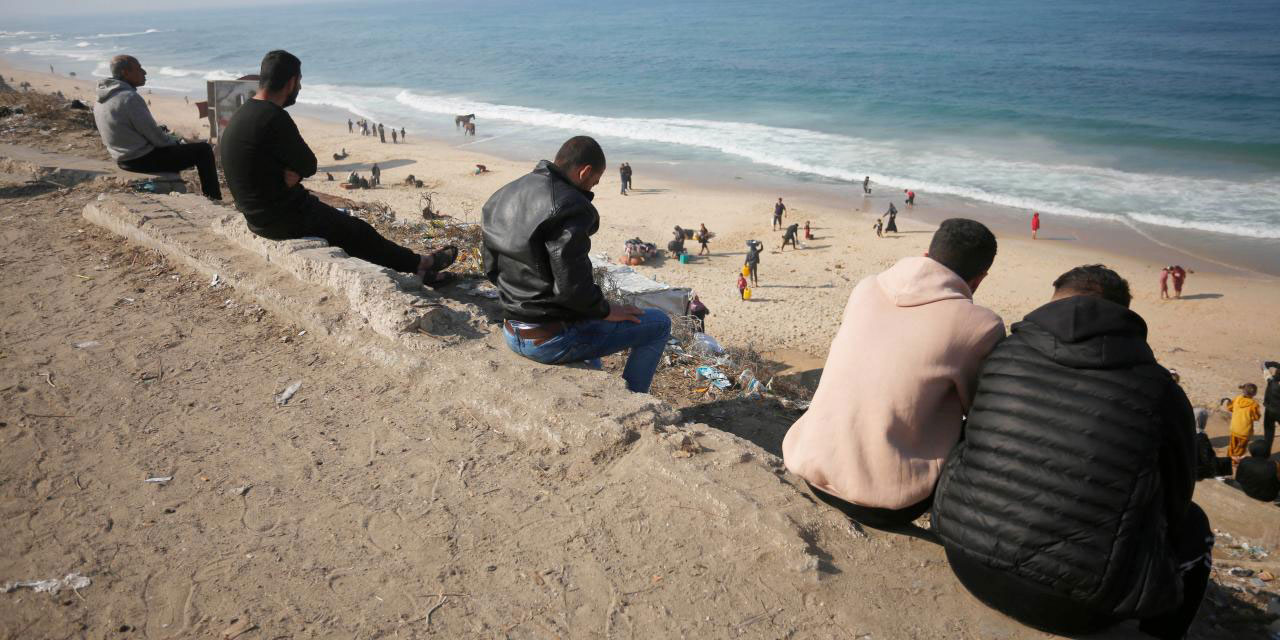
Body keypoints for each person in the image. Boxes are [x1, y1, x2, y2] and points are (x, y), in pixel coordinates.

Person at [932, 265, 1211, 640]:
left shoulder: (1001, 355)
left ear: (1054, 300)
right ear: (1123, 315)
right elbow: (1178, 494)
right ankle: (1162, 634)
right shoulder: (1160, 389)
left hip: (967, 559)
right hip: (1080, 609)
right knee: (1195, 524)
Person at [783, 219, 1004, 530]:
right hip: (888, 503)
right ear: (980, 279)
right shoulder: (981, 325)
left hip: (811, 469)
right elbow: (980, 409)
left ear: (927, 254)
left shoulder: (867, 287)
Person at [219, 50, 456, 285]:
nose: (300, 88)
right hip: (281, 218)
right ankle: (421, 265)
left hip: (258, 216)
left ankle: (417, 266)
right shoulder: (273, 117)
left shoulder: (244, 113)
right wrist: (289, 172)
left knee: (349, 228)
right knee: (357, 232)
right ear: (291, 82)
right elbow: (309, 165)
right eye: (299, 82)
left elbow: (271, 164)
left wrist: (284, 172)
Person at [482, 135, 672, 394]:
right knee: (658, 324)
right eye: (594, 181)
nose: (593, 187)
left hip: (512, 328)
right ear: (584, 171)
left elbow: (490, 267)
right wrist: (604, 309)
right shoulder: (570, 205)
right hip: (547, 339)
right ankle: (633, 398)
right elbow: (572, 286)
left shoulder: (504, 193)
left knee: (590, 341)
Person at [93, 55, 222, 201]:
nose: (144, 72)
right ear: (125, 72)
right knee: (203, 151)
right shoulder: (128, 98)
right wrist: (178, 143)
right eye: (139, 69)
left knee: (185, 147)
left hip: (122, 158)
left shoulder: (101, 98)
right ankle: (214, 198)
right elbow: (157, 139)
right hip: (140, 159)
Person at [1226, 383, 1261, 459]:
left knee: (1232, 445)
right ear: (1254, 393)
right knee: (1241, 448)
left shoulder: (1237, 398)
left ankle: (1228, 459)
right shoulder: (1254, 404)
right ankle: (1235, 462)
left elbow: (1229, 408)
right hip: (1245, 432)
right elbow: (1256, 417)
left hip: (1234, 428)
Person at [1263, 361, 1279, 456]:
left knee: (1268, 434)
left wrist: (1275, 364)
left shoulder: (1271, 380)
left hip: (1270, 410)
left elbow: (1263, 365)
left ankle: (1265, 455)